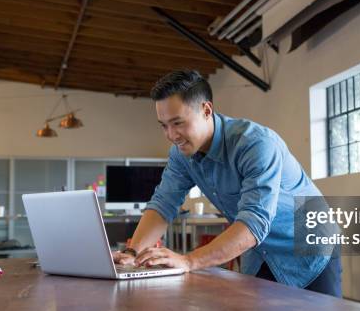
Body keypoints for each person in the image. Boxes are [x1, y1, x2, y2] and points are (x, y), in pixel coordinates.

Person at [112, 70, 341, 297]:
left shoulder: (255, 144)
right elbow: (163, 203)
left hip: (309, 249)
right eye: (164, 125)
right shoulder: (181, 155)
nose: (172, 135)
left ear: (206, 110)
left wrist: (188, 260)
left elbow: (255, 221)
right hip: (260, 252)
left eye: (178, 123)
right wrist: (132, 252)